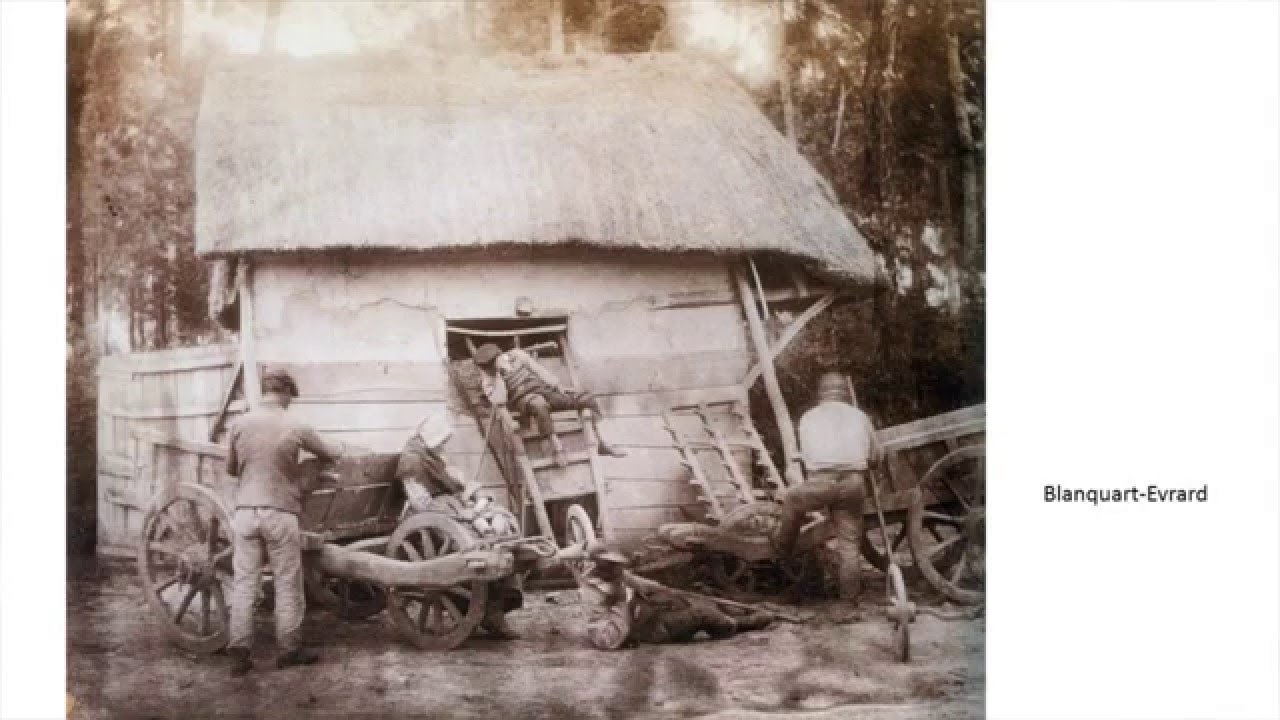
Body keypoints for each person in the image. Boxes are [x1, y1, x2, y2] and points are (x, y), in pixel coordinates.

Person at [224, 369, 345, 677]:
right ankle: (289, 650)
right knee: (287, 582)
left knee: (244, 583)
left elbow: (231, 469)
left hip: (245, 513)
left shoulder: (240, 423)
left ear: (265, 392)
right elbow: (330, 454)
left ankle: (239, 653)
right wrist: (333, 451)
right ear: (287, 393)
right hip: (280, 513)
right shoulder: (296, 424)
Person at [394, 411, 522, 638]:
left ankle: (495, 610)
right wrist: (465, 514)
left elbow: (453, 483)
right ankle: (480, 611)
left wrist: (470, 500)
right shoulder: (412, 461)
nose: (443, 446)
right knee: (475, 543)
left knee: (499, 535)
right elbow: (421, 503)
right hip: (429, 518)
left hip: (446, 508)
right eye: (441, 441)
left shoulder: (431, 456)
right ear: (430, 437)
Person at [774, 371, 881, 601]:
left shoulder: (808, 418)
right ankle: (848, 602)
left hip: (821, 483)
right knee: (849, 544)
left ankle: (782, 551)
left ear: (821, 394)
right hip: (853, 483)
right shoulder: (860, 417)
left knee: (792, 499)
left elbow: (807, 457)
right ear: (844, 393)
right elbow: (875, 457)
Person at [575, 543, 772, 650]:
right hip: (650, 630)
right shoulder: (594, 593)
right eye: (613, 565)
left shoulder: (616, 575)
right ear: (600, 566)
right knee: (701, 613)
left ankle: (735, 615)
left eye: (619, 566)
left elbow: (639, 583)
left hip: (649, 616)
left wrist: (665, 589)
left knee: (696, 597)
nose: (620, 570)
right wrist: (619, 603)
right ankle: (741, 624)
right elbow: (606, 640)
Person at [472, 343, 626, 467]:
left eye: (497, 361)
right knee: (539, 404)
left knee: (586, 398)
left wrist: (558, 387)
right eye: (491, 367)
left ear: (500, 355)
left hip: (542, 389)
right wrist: (498, 377)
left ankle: (601, 442)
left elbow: (539, 370)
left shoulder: (517, 355)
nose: (495, 366)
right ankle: (557, 447)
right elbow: (500, 402)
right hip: (522, 400)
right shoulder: (488, 379)